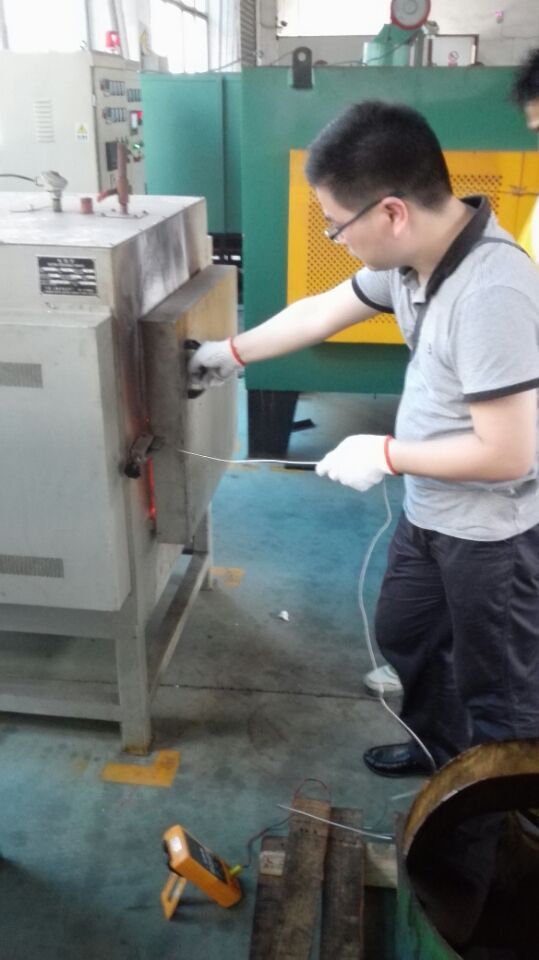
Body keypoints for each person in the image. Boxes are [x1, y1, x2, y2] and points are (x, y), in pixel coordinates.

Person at [189, 100, 539, 780]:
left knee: (499, 691)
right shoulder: (415, 261)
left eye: (337, 223)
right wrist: (229, 352)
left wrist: (384, 453)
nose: (334, 237)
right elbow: (322, 311)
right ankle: (441, 754)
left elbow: (507, 454)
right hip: (430, 510)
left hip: (489, 537)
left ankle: (487, 824)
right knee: (408, 633)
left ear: (391, 212)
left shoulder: (492, 293)